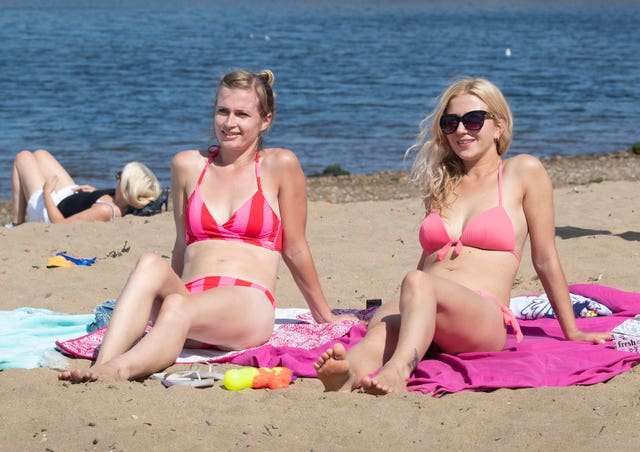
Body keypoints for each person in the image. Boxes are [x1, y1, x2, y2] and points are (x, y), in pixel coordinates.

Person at [314, 77, 612, 394]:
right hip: (430, 303)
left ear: (499, 126)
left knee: (415, 284)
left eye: (473, 120)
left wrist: (572, 331)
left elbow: (545, 258)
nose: (461, 130)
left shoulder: (522, 172)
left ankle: (399, 370)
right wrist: (406, 304)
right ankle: (346, 375)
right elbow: (428, 260)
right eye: (450, 122)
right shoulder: (441, 183)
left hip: (483, 319)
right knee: (384, 328)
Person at [59, 69, 351, 383]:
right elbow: (182, 246)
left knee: (178, 308)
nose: (230, 123)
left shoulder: (279, 165)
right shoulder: (187, 166)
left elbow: (294, 247)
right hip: (189, 300)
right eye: (222, 111)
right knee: (149, 264)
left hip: (245, 303)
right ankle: (103, 364)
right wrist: (167, 290)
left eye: (242, 114)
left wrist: (324, 316)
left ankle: (120, 370)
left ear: (265, 120)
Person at [7, 149, 163, 227]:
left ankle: (17, 223)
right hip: (68, 196)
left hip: (50, 209)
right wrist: (94, 195)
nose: (116, 177)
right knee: (41, 154)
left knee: (23, 157)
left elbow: (61, 226)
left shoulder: (106, 210)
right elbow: (97, 207)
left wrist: (47, 193)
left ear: (126, 188)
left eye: (120, 176)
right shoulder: (121, 201)